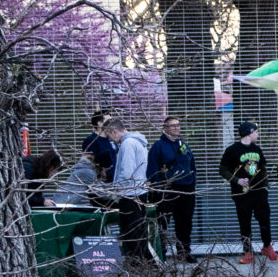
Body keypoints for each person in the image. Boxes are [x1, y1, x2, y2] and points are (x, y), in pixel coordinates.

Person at [219, 121, 278, 263]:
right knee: (244, 222)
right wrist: (237, 180)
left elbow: (263, 169)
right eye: (256, 132)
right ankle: (248, 252)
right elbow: (223, 170)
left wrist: (265, 186)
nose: (258, 134)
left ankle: (267, 246)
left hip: (259, 191)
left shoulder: (257, 149)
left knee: (264, 218)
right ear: (249, 133)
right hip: (241, 193)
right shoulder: (232, 150)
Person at [147, 116, 198, 263]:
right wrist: (158, 187)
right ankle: (160, 253)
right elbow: (152, 169)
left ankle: (184, 252)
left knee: (185, 222)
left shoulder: (184, 146)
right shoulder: (158, 146)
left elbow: (192, 166)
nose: (176, 128)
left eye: (178, 125)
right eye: (172, 125)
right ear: (165, 128)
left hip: (186, 190)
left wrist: (192, 183)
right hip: (167, 190)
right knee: (163, 223)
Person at [101, 116, 153, 260]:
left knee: (131, 231)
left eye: (109, 135)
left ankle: (137, 262)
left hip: (130, 193)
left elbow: (127, 171)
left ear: (114, 131)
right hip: (139, 191)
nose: (110, 140)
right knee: (139, 230)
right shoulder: (138, 142)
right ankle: (144, 261)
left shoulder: (128, 144)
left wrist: (115, 191)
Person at [82, 110, 117, 183]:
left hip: (115, 181)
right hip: (101, 183)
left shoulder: (112, 138)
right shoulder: (91, 141)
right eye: (109, 121)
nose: (112, 124)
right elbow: (89, 163)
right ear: (99, 123)